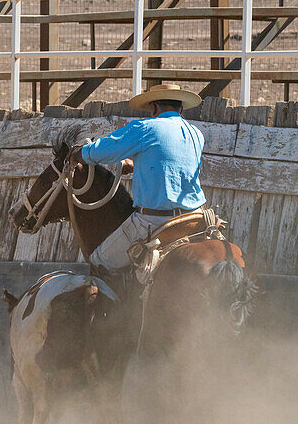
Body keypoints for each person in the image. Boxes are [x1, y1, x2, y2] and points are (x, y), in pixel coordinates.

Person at [71, 83, 206, 288]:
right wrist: (138, 166)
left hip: (154, 221)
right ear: (181, 108)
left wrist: (79, 153)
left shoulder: (146, 128)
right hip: (194, 216)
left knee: (100, 261)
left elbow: (102, 151)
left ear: (153, 108)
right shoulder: (196, 133)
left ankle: (120, 315)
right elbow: (175, 165)